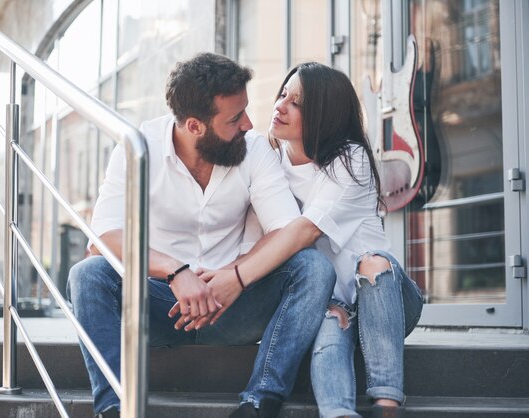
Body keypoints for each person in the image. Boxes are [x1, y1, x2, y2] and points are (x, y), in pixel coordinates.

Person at [67, 53, 337, 418]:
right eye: (234, 118)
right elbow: (103, 237)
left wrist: (235, 276)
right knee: (87, 274)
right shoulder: (138, 147)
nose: (248, 123)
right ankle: (116, 408)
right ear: (194, 126)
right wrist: (176, 272)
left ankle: (259, 402)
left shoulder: (254, 149)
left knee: (313, 267)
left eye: (244, 111)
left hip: (234, 307)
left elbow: (285, 230)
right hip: (161, 305)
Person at [204, 62, 424, 418]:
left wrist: (237, 278)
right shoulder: (267, 165)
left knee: (373, 264)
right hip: (329, 304)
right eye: (282, 95)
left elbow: (306, 230)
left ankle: (386, 406)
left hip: (385, 301)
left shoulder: (350, 161)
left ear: (326, 112)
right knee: (327, 325)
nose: (281, 105)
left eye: (297, 102)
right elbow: (256, 248)